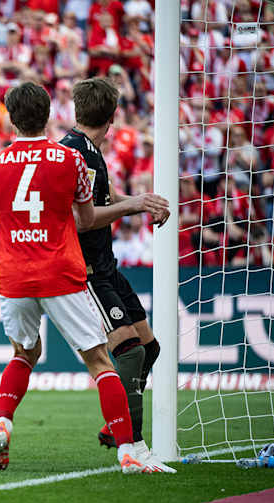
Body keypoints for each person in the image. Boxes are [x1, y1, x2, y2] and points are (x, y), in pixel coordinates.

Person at [0, 82, 168, 474]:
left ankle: (2, 423)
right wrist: (134, 204)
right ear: (49, 113)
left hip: (12, 272)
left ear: (10, 118)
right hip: (60, 269)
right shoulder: (69, 160)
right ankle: (128, 451)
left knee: (23, 354)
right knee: (102, 362)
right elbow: (84, 219)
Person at [59, 78, 174, 472]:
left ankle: (115, 425)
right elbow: (80, 219)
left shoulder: (82, 149)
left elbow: (99, 201)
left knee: (150, 347)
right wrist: (135, 205)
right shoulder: (79, 154)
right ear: (112, 117)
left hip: (107, 266)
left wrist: (141, 202)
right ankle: (134, 445)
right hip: (87, 270)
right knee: (129, 350)